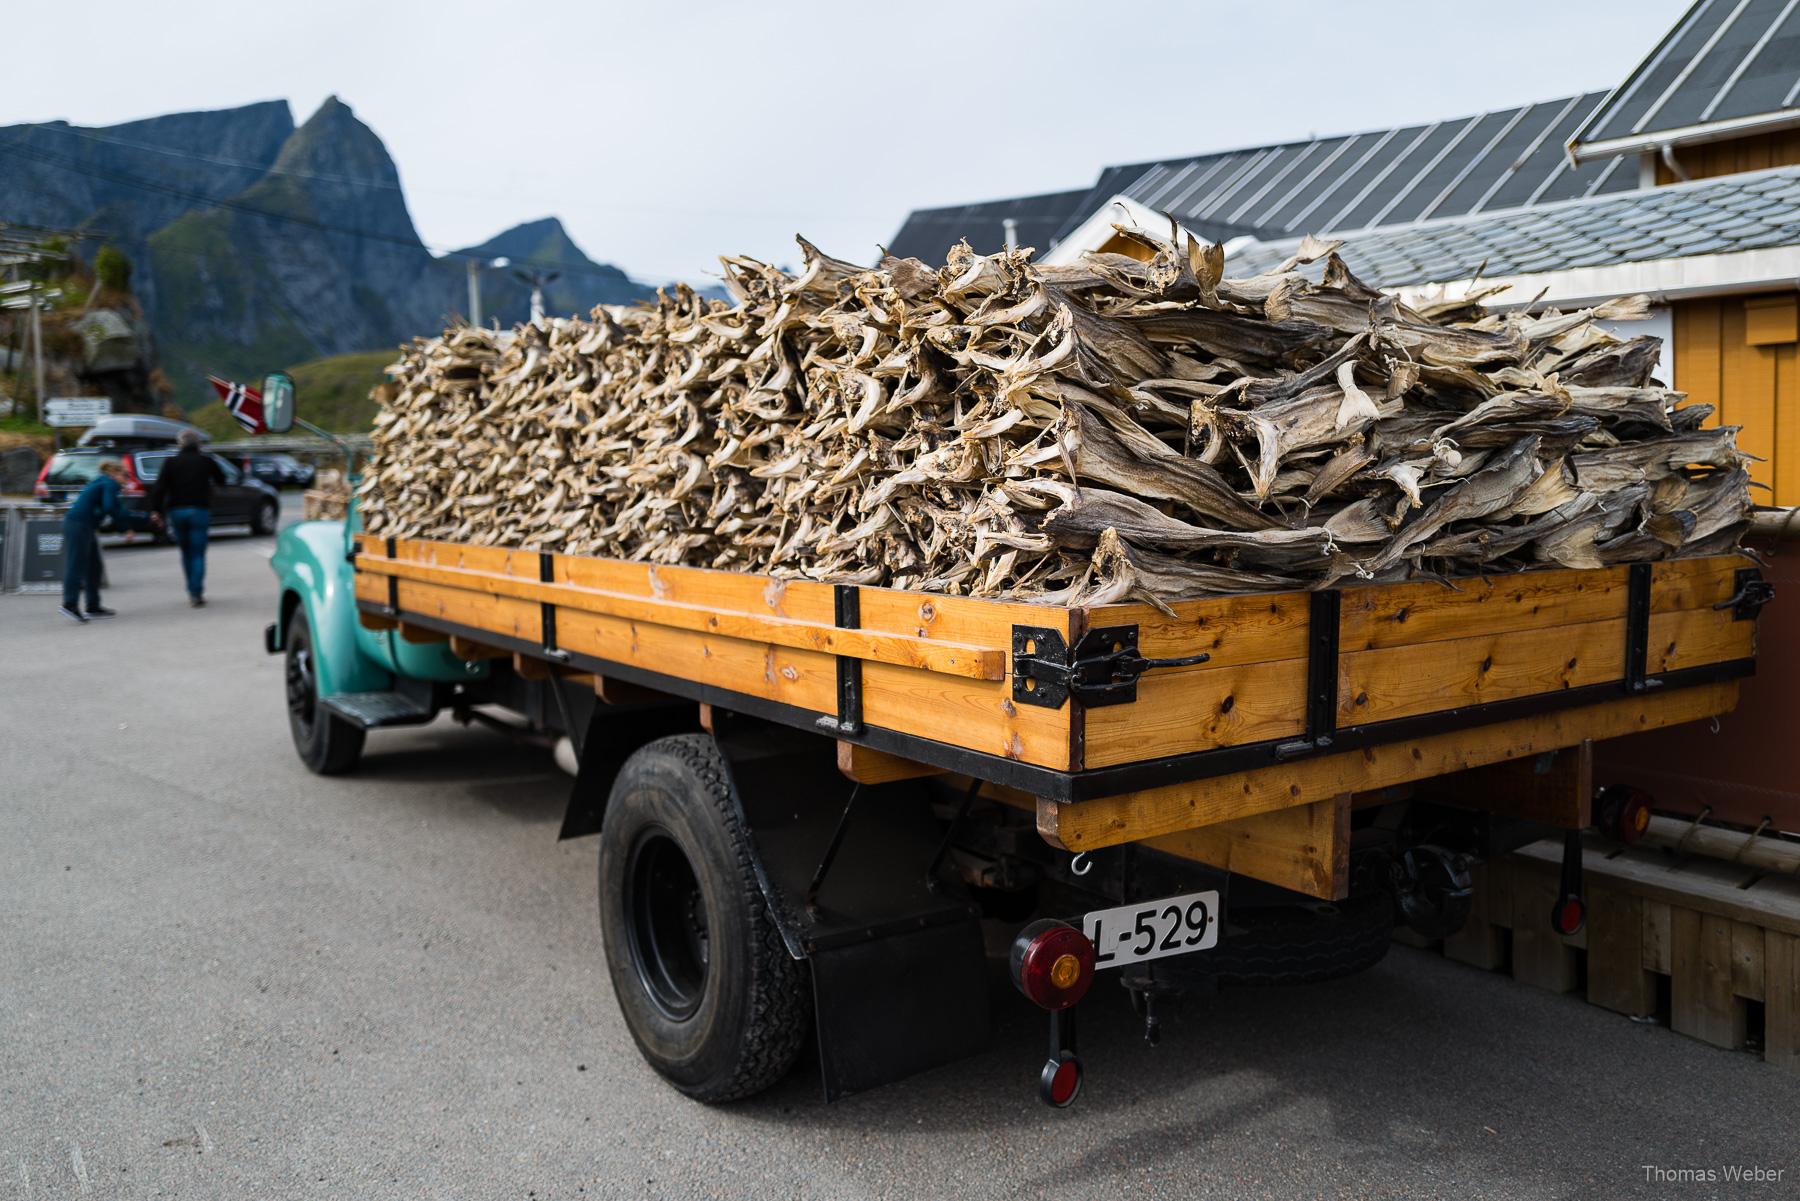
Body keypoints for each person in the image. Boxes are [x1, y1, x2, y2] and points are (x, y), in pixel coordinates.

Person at [60, 458, 156, 623]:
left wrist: (126, 527)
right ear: (115, 473)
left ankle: (93, 606)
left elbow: (115, 510)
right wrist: (143, 518)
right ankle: (70, 603)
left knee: (94, 567)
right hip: (79, 524)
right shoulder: (110, 484)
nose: (127, 480)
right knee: (76, 565)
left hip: (83, 525)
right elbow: (112, 508)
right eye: (126, 475)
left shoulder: (103, 482)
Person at [149, 428, 225, 607]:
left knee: (186, 552)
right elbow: (221, 479)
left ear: (179, 444)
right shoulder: (206, 461)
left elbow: (159, 487)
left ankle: (191, 589)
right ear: (198, 444)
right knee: (198, 553)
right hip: (199, 510)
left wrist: (155, 510)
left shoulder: (171, 462)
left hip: (177, 511)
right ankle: (196, 592)